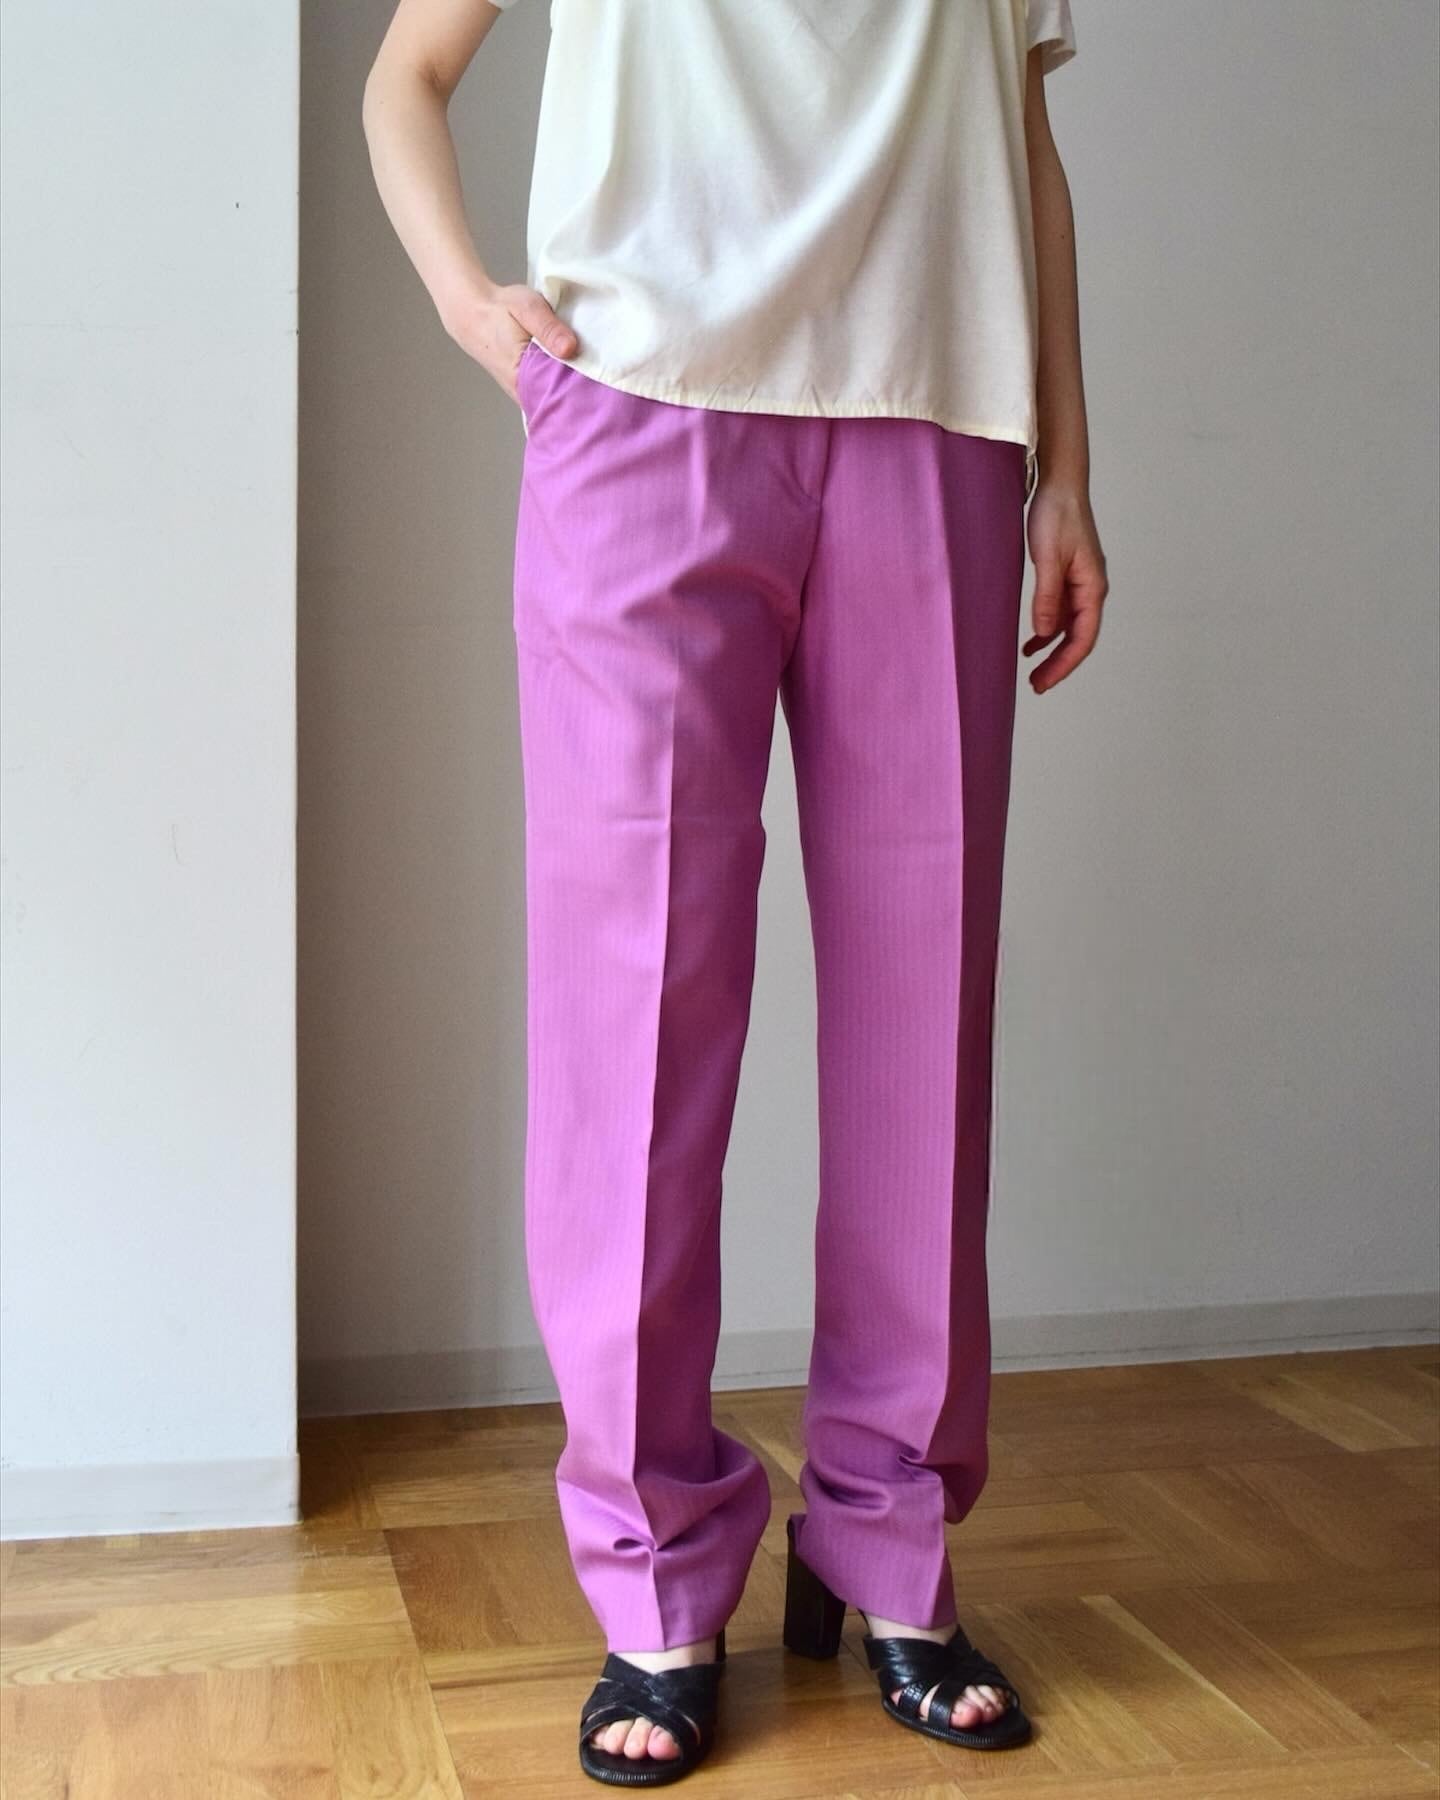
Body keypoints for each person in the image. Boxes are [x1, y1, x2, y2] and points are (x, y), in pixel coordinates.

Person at [363, 0, 1107, 1783]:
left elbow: (1023, 142)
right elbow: (408, 70)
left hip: (938, 425)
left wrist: (1069, 465)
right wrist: (473, 306)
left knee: (925, 1022)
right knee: (631, 1020)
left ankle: (890, 1543)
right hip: (643, 413)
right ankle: (652, 1577)